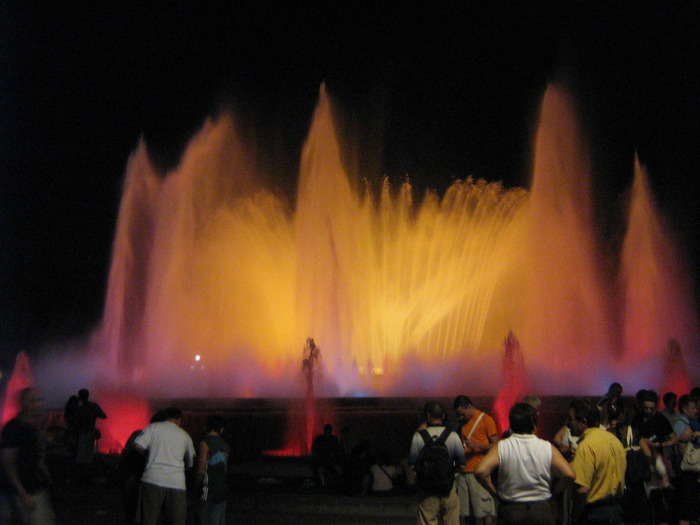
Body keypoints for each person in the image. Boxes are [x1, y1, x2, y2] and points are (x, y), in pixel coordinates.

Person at [474, 403, 575, 525]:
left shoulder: (502, 447)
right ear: (534, 424)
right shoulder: (547, 447)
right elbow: (570, 475)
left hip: (511, 510)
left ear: (511, 424)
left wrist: (494, 492)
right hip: (542, 509)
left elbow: (480, 471)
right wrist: (554, 491)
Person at [0, 387, 57, 525]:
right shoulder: (13, 428)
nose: (40, 404)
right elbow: (8, 464)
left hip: (35, 487)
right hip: (21, 492)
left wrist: (47, 477)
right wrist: (23, 494)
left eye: (40, 400)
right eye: (35, 401)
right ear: (24, 404)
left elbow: (36, 457)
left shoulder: (32, 427)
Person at [134, 406, 195, 525]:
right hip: (176, 483)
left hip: (152, 479)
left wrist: (147, 456)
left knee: (148, 520)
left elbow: (137, 445)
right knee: (177, 521)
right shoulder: (184, 435)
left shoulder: (153, 427)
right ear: (179, 419)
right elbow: (191, 462)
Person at [569, 399, 626, 525]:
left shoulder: (586, 446)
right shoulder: (614, 440)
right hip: (617, 510)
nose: (569, 423)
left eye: (572, 419)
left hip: (594, 514)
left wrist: (576, 515)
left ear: (583, 422)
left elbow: (582, 489)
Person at [409, 401, 466, 525]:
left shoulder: (418, 436)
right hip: (449, 486)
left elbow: (413, 464)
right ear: (444, 416)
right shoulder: (453, 436)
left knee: (428, 520)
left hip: (427, 488)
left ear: (428, 416)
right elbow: (461, 464)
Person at [453, 395, 498, 525]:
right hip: (463, 472)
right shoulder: (461, 424)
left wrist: (478, 445)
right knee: (466, 511)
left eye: (462, 414)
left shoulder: (486, 420)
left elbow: (496, 445)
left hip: (478, 471)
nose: (460, 418)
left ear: (469, 407)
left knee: (485, 509)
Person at [196, 415, 230, 525]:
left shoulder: (204, 443)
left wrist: (197, 481)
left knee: (206, 517)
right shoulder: (225, 445)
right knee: (219, 517)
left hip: (208, 487)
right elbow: (224, 468)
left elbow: (201, 466)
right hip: (222, 486)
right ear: (221, 429)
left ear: (205, 428)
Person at [672, 394, 699, 525]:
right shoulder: (681, 425)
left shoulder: (689, 424)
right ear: (684, 409)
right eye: (693, 408)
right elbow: (682, 446)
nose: (696, 410)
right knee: (686, 505)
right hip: (686, 470)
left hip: (690, 470)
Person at [74, 388, 107, 473]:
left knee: (80, 456)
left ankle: (81, 475)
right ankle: (88, 475)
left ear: (79, 396)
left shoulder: (79, 408)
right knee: (89, 455)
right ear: (88, 396)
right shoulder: (93, 406)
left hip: (81, 433)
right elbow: (104, 416)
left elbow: (75, 421)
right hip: (90, 433)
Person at [311, 423, 341, 487]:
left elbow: (337, 448)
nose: (327, 432)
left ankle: (324, 482)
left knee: (325, 468)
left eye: (328, 430)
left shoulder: (333, 438)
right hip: (322, 458)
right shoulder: (320, 438)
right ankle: (323, 482)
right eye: (326, 430)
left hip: (327, 459)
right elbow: (314, 448)